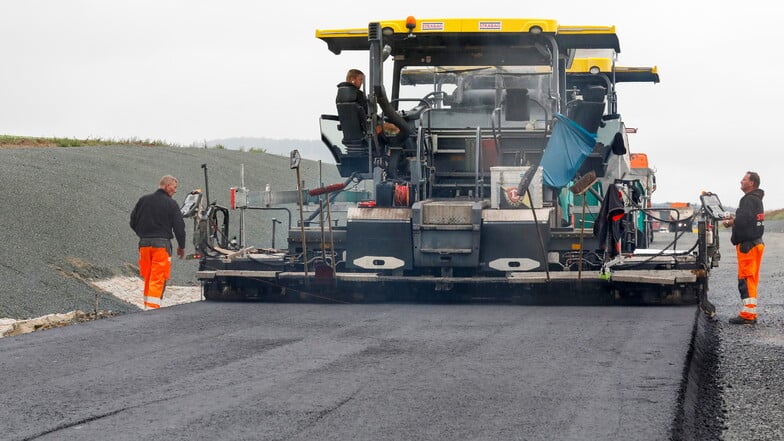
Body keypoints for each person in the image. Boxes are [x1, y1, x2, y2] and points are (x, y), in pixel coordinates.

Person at [130, 175, 186, 310]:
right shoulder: (171, 204)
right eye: (174, 187)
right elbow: (179, 227)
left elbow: (133, 222)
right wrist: (181, 246)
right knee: (157, 277)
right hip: (161, 246)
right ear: (167, 186)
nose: (175, 190)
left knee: (148, 277)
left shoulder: (143, 200)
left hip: (144, 245)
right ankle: (152, 311)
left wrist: (143, 235)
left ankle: (146, 307)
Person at [723, 171, 765, 324]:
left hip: (748, 245)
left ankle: (747, 315)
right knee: (752, 279)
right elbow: (750, 218)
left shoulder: (747, 200)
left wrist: (730, 222)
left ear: (751, 183)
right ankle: (750, 312)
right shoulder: (757, 200)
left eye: (744, 179)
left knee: (746, 279)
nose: (741, 181)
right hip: (757, 243)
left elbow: (743, 219)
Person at [336, 69, 399, 136]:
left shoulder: (340, 96)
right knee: (394, 128)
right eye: (360, 79)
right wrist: (380, 120)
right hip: (367, 130)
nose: (362, 83)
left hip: (350, 133)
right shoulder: (357, 94)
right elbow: (368, 112)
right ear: (352, 79)